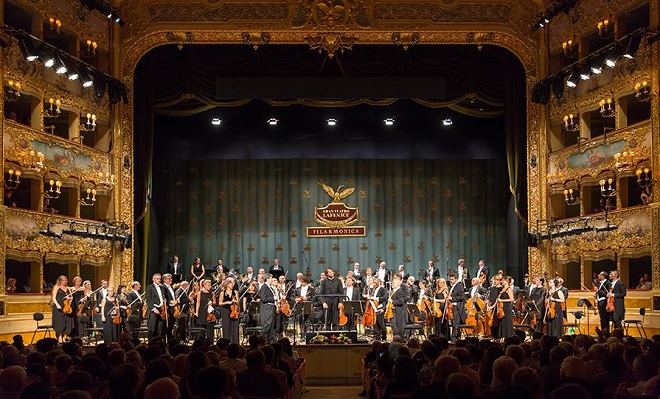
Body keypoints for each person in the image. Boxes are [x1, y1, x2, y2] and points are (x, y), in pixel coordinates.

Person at [51, 275, 75, 343]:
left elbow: (71, 297)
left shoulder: (68, 288)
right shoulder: (56, 287)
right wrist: (57, 305)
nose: (64, 281)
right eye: (63, 280)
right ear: (60, 281)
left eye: (65, 280)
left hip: (66, 307)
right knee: (60, 323)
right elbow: (54, 298)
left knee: (67, 323)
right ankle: (59, 338)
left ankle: (64, 336)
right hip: (59, 308)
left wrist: (69, 298)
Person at [146, 273, 166, 342]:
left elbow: (163, 297)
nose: (159, 280)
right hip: (153, 310)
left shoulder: (162, 287)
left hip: (161, 309)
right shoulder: (150, 287)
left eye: (160, 279)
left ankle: (159, 345)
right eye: (157, 279)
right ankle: (151, 345)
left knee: (160, 330)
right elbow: (148, 299)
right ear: (153, 279)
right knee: (152, 329)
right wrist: (154, 309)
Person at [218, 278, 240, 343]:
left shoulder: (235, 292)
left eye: (233, 283)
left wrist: (235, 301)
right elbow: (220, 303)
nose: (232, 285)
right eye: (231, 283)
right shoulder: (222, 293)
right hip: (225, 310)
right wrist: (227, 302)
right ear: (227, 284)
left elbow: (238, 302)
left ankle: (235, 342)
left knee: (234, 327)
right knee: (226, 326)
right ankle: (226, 342)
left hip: (234, 310)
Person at [389, 273, 411, 338]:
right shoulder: (395, 289)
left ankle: (399, 338)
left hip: (401, 308)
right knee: (394, 324)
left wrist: (395, 301)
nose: (394, 280)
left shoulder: (403, 287)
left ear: (400, 279)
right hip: (396, 307)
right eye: (394, 278)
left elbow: (407, 297)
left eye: (395, 278)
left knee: (399, 325)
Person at [259, 274, 277, 343]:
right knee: (267, 325)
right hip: (267, 308)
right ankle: (264, 342)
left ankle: (270, 341)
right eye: (271, 278)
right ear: (267, 279)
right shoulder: (264, 287)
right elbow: (263, 298)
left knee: (271, 325)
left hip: (271, 307)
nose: (272, 279)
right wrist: (273, 298)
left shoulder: (269, 287)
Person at [447, 273, 466, 342]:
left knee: (456, 323)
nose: (451, 281)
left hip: (457, 307)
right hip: (452, 306)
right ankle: (454, 337)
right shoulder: (452, 286)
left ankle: (455, 338)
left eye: (452, 279)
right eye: (450, 279)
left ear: (456, 279)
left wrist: (452, 298)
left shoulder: (459, 285)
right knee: (453, 322)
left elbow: (462, 297)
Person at [161, 273, 177, 340]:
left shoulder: (171, 287)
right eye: (169, 278)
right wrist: (170, 301)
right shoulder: (163, 287)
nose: (171, 279)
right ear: (164, 280)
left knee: (171, 325)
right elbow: (163, 297)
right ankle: (165, 340)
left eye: (171, 278)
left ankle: (170, 340)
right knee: (166, 326)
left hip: (173, 309)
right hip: (167, 309)